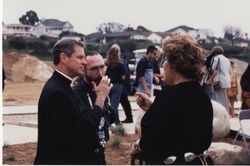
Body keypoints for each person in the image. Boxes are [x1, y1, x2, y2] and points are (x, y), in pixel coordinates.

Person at [131, 35, 213, 165]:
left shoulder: (169, 96)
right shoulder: (201, 95)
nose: (163, 65)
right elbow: (179, 121)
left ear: (174, 65)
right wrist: (153, 108)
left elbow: (151, 144)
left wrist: (137, 147)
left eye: (165, 60)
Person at [34, 39, 112, 165]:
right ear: (64, 58)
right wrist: (101, 98)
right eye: (80, 57)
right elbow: (85, 129)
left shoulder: (61, 86)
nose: (84, 62)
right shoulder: (57, 92)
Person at [72, 51, 113, 164]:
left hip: (100, 150)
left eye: (102, 67)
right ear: (84, 70)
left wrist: (104, 98)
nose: (100, 73)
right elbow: (86, 126)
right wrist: (100, 98)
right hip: (83, 156)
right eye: (94, 69)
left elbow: (110, 117)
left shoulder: (102, 88)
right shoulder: (76, 93)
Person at [106, 44, 126, 125]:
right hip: (117, 85)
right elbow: (123, 77)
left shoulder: (106, 63)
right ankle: (109, 122)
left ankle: (117, 122)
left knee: (112, 104)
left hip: (108, 84)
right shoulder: (120, 64)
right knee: (114, 105)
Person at [212, 46, 231, 114]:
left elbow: (212, 70)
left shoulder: (216, 58)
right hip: (226, 82)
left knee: (218, 100)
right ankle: (225, 114)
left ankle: (221, 115)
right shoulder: (227, 59)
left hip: (218, 82)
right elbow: (230, 71)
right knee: (224, 100)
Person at [120, 53, 133, 123]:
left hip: (123, 86)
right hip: (125, 85)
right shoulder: (125, 61)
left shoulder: (122, 61)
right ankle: (129, 117)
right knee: (125, 102)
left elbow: (124, 74)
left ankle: (129, 118)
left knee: (125, 102)